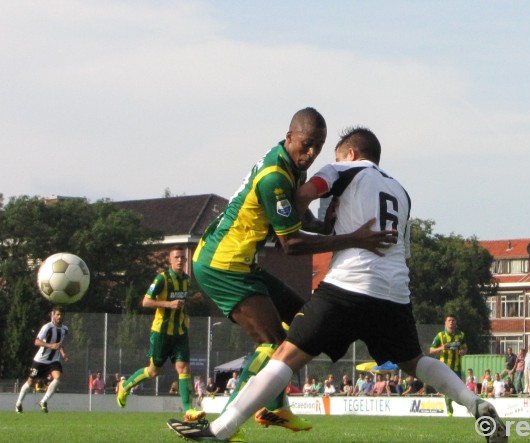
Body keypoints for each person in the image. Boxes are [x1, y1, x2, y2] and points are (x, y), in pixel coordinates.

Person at [168, 127, 507, 443]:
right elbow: (404, 256)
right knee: (413, 360)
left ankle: (221, 429)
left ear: (350, 152)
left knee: (284, 355)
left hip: (347, 288)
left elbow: (302, 197)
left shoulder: (342, 170)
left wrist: (314, 219)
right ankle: (475, 404)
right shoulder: (401, 193)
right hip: (394, 293)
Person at [188, 108, 396, 433]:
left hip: (241, 262)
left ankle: (275, 409)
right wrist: (351, 239)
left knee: (304, 316)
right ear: (290, 137)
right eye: (307, 144)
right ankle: (227, 424)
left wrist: (325, 226)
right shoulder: (275, 177)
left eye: (318, 147)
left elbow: (297, 220)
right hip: (222, 265)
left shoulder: (289, 165)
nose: (311, 154)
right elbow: (292, 244)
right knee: (274, 343)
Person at [117, 246, 205, 422]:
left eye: (183, 258)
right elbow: (146, 301)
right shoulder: (162, 279)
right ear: (170, 260)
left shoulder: (186, 280)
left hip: (179, 331)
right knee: (153, 371)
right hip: (161, 332)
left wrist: (191, 299)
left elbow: (180, 300)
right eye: (177, 257)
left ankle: (189, 410)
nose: (180, 260)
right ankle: (125, 386)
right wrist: (168, 305)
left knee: (184, 368)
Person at [15, 306, 69, 413]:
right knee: (30, 382)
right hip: (40, 360)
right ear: (53, 315)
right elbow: (37, 342)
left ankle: (43, 401)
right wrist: (50, 345)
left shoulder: (65, 329)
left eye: (61, 315)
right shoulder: (47, 327)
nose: (59, 317)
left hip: (54, 360)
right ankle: (18, 403)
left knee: (58, 377)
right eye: (57, 314)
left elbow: (59, 343)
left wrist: (63, 353)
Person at [429, 314, 467, 416]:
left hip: (457, 367)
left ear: (456, 322)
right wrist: (441, 348)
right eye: (449, 320)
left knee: (457, 389)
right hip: (444, 367)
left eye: (453, 320)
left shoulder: (461, 335)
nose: (451, 322)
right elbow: (431, 350)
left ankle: (450, 400)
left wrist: (462, 352)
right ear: (445, 323)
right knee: (447, 388)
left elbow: (465, 348)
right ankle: (449, 408)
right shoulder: (440, 336)